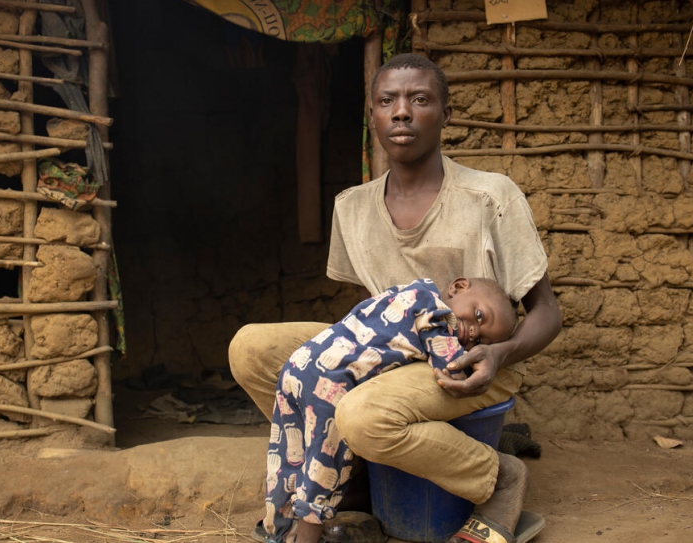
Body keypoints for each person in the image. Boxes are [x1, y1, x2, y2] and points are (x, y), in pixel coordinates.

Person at [230, 53, 562, 543]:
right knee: (251, 349)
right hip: (389, 353)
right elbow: (370, 309)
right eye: (387, 101)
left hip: (469, 365)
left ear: (446, 115)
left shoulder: (491, 197)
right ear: (373, 116)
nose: (401, 112)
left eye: (419, 99)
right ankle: (353, 481)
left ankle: (499, 478)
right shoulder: (353, 207)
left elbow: (548, 312)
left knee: (362, 413)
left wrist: (498, 353)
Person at [264, 277, 518, 543]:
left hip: (299, 366)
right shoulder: (438, 318)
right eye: (479, 315)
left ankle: (278, 532)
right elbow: (451, 369)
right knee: (323, 469)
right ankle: (307, 537)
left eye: (483, 342)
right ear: (457, 287)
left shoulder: (411, 290)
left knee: (288, 457)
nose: (475, 333)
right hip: (328, 387)